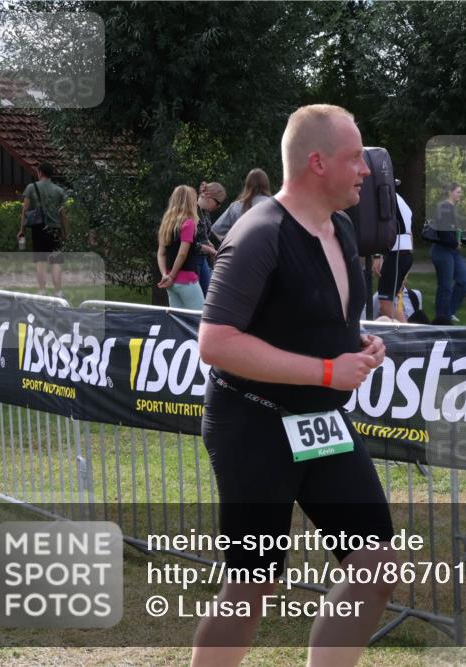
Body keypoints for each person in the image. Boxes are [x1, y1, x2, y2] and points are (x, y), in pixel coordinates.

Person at [194, 104, 395, 667]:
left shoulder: (344, 227)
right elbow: (216, 342)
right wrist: (327, 372)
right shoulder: (259, 232)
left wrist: (353, 345)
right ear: (317, 162)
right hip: (253, 424)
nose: (367, 170)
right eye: (356, 158)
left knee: (375, 566)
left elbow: (319, 317)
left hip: (319, 424)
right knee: (252, 588)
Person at [17, 162, 69, 297]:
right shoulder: (59, 191)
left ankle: (42, 290)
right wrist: (65, 232)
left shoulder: (31, 187)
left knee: (41, 260)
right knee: (56, 261)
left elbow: (25, 210)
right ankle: (58, 292)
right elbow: (63, 214)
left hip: (39, 229)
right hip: (55, 229)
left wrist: (21, 229)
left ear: (40, 172)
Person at [156, 185, 205, 310]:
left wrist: (165, 275)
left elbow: (161, 253)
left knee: (179, 320)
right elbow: (182, 253)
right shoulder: (188, 223)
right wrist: (172, 276)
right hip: (186, 281)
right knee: (199, 319)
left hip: (170, 283)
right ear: (190, 202)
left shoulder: (166, 223)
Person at [431, 182, 466, 325]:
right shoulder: (443, 207)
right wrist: (455, 242)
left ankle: (449, 313)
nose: (460, 195)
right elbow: (443, 233)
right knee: (445, 286)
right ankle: (442, 319)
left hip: (453, 251)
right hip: (442, 252)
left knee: (465, 280)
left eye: (461, 192)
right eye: (458, 192)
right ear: (450, 192)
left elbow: (454, 232)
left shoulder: (453, 209)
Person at [373, 190, 414, 319]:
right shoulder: (398, 198)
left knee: (385, 305)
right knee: (388, 303)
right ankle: (408, 333)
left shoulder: (385, 195)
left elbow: (380, 225)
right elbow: (410, 233)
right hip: (402, 253)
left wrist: (377, 255)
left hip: (396, 253)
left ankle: (412, 336)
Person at [211, 168, 273, 240]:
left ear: (247, 184)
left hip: (241, 248)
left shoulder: (236, 206)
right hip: (268, 249)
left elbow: (216, 229)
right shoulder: (275, 206)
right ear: (266, 184)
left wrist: (227, 243)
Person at [194, 181, 225, 293]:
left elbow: (204, 236)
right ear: (208, 196)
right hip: (192, 261)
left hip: (202, 260)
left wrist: (209, 244)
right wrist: (209, 249)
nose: (218, 207)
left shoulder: (205, 212)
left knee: (209, 294)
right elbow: (187, 242)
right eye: (217, 203)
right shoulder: (192, 211)